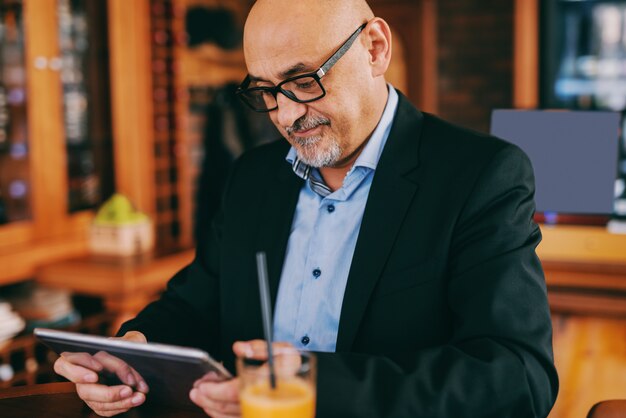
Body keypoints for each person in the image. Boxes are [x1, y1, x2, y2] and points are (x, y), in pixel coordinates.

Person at [53, 0, 559, 416]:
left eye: (304, 80)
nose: (288, 114)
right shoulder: (252, 176)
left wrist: (314, 389)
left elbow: (518, 377)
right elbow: (195, 304)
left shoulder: (479, 175)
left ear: (374, 48)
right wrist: (132, 351)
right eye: (267, 91)